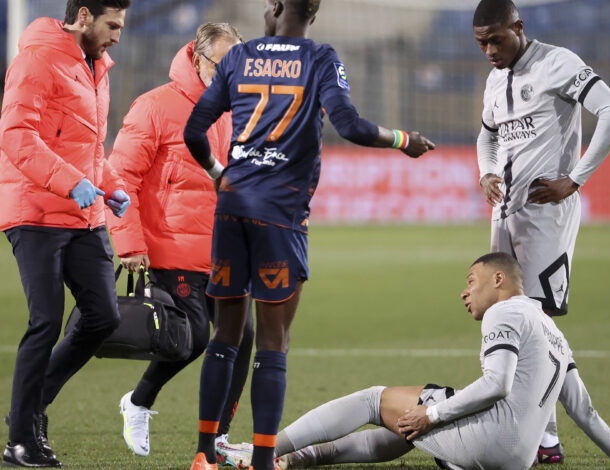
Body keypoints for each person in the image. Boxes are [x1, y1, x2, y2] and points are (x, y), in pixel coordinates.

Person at [182, 1, 435, 468]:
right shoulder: (320, 58)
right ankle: (262, 461)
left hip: (232, 210)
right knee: (272, 343)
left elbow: (194, 131)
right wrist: (404, 140)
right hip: (280, 215)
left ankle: (203, 455)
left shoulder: (239, 57)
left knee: (225, 338)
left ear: (277, 6)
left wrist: (221, 174)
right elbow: (351, 126)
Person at [272, 253, 610, 470]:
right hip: (518, 458)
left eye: (471, 281)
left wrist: (433, 413)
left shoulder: (504, 311)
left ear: (498, 280)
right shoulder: (554, 332)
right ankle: (300, 459)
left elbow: (496, 385)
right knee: (409, 425)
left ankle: (264, 450)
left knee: (374, 400)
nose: (464, 292)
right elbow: (584, 411)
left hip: (490, 442)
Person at [471, 0, 610, 462]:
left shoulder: (557, 63)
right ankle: (543, 437)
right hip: (505, 216)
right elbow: (487, 134)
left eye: (496, 40)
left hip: (546, 217)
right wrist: (486, 172)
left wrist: (575, 179)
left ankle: (546, 437)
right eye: (481, 44)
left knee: (537, 324)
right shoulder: (495, 79)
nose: (489, 51)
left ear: (518, 28)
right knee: (509, 318)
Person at [104, 23, 253, 464]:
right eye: (222, 64)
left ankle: (218, 439)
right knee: (193, 337)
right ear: (196, 58)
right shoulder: (154, 106)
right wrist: (128, 242)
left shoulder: (237, 110)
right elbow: (120, 178)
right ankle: (138, 401)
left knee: (243, 336)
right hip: (169, 245)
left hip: (222, 248)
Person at [0, 0, 132, 467]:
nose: (117, 35)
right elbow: (16, 135)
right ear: (83, 16)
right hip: (35, 209)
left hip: (82, 213)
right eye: (112, 24)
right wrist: (69, 181)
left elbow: (89, 146)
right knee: (46, 320)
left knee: (103, 316)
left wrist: (110, 185)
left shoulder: (97, 66)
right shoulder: (37, 59)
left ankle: (30, 406)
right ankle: (20, 441)